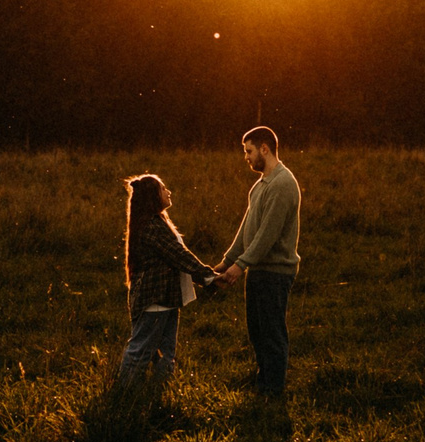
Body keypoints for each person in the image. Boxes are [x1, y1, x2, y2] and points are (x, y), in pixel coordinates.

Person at [212, 125, 302, 396]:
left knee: (272, 332)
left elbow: (267, 235)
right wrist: (226, 262)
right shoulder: (260, 185)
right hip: (258, 270)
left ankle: (273, 391)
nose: (246, 157)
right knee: (257, 331)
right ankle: (264, 381)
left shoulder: (283, 184)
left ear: (265, 149)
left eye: (249, 151)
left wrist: (241, 266)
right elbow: (247, 228)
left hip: (275, 272)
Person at [119, 172, 217, 392]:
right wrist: (208, 277)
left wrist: (207, 275)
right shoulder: (152, 227)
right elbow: (178, 255)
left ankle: (158, 393)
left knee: (166, 353)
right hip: (156, 299)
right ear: (154, 196)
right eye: (164, 189)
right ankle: (123, 395)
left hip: (167, 298)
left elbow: (180, 255)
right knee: (141, 351)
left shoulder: (158, 222)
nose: (169, 192)